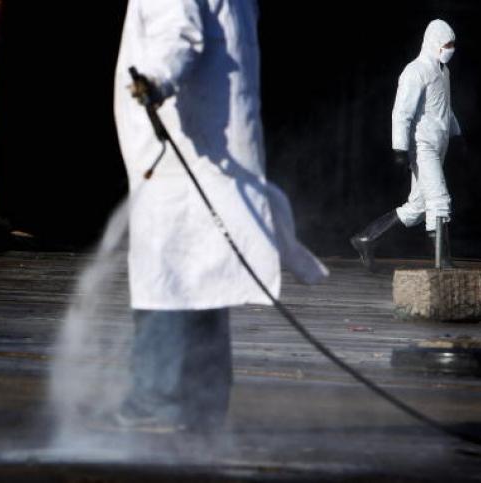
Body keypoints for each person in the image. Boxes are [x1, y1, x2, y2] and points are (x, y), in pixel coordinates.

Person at [113, 0, 328, 432]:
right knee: (206, 277)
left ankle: (160, 398)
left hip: (184, 152)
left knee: (169, 276)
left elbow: (178, 32)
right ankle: (202, 403)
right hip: (209, 148)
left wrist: (155, 79)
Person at [351, 19, 463, 271]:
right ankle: (442, 263)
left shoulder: (443, 72)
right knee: (439, 201)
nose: (450, 49)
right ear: (434, 43)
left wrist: (457, 134)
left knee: (419, 206)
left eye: (453, 44)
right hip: (421, 146)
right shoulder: (415, 71)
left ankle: (366, 238)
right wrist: (400, 149)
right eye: (447, 44)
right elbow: (401, 113)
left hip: (439, 143)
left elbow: (446, 108)